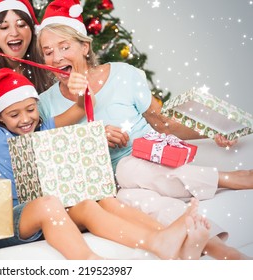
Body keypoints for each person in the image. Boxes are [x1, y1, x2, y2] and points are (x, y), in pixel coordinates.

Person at [0, 32, 211, 260]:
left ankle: (163, 240)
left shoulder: (45, 125)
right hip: (22, 214)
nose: (25, 120)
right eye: (14, 115)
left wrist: (80, 88)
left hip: (60, 207)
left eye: (30, 110)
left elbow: (82, 107)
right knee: (60, 203)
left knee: (100, 201)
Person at [36, 0, 252, 260]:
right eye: (47, 51)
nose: (56, 57)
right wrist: (92, 139)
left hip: (147, 160)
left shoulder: (124, 76)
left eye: (64, 46)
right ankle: (222, 248)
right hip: (111, 188)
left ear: (84, 46)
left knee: (130, 169)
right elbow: (53, 161)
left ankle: (227, 204)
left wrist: (212, 131)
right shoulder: (46, 104)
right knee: (149, 203)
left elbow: (162, 123)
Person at [0, 0, 53, 108]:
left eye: (21, 25)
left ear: (32, 30)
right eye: (4, 27)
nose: (14, 33)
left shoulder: (46, 61)